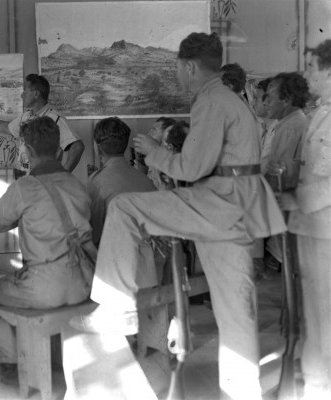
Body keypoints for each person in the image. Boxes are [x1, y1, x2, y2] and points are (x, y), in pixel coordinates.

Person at [70, 32, 286, 400]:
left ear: (189, 66)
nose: (176, 75)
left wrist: (154, 151)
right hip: (237, 206)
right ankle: (242, 389)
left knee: (124, 207)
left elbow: (191, 167)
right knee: (235, 306)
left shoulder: (210, 101)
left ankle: (116, 307)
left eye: (177, 68)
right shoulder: (230, 99)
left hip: (218, 202)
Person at [0, 117, 92, 383]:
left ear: (27, 151)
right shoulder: (78, 186)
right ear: (59, 150)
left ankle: (12, 363)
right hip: (84, 282)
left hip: (46, 287)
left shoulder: (24, 188)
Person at [276, 38, 331, 400]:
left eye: (314, 69)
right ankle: (314, 382)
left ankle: (318, 387)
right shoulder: (323, 112)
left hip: (324, 230)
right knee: (313, 312)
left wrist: (292, 199)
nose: (309, 77)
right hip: (312, 228)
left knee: (323, 315)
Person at [0, 73, 84, 177]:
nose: (22, 95)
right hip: (27, 180)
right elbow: (7, 128)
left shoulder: (55, 119)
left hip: (45, 183)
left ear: (36, 94)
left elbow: (77, 147)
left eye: (25, 91)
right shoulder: (26, 117)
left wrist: (62, 176)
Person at [261, 72, 310, 266]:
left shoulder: (291, 127)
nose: (265, 102)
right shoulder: (288, 123)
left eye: (269, 97)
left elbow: (280, 175)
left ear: (287, 100)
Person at [87, 117, 156, 246]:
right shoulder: (145, 180)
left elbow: (94, 235)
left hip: (111, 257)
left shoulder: (96, 182)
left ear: (98, 147)